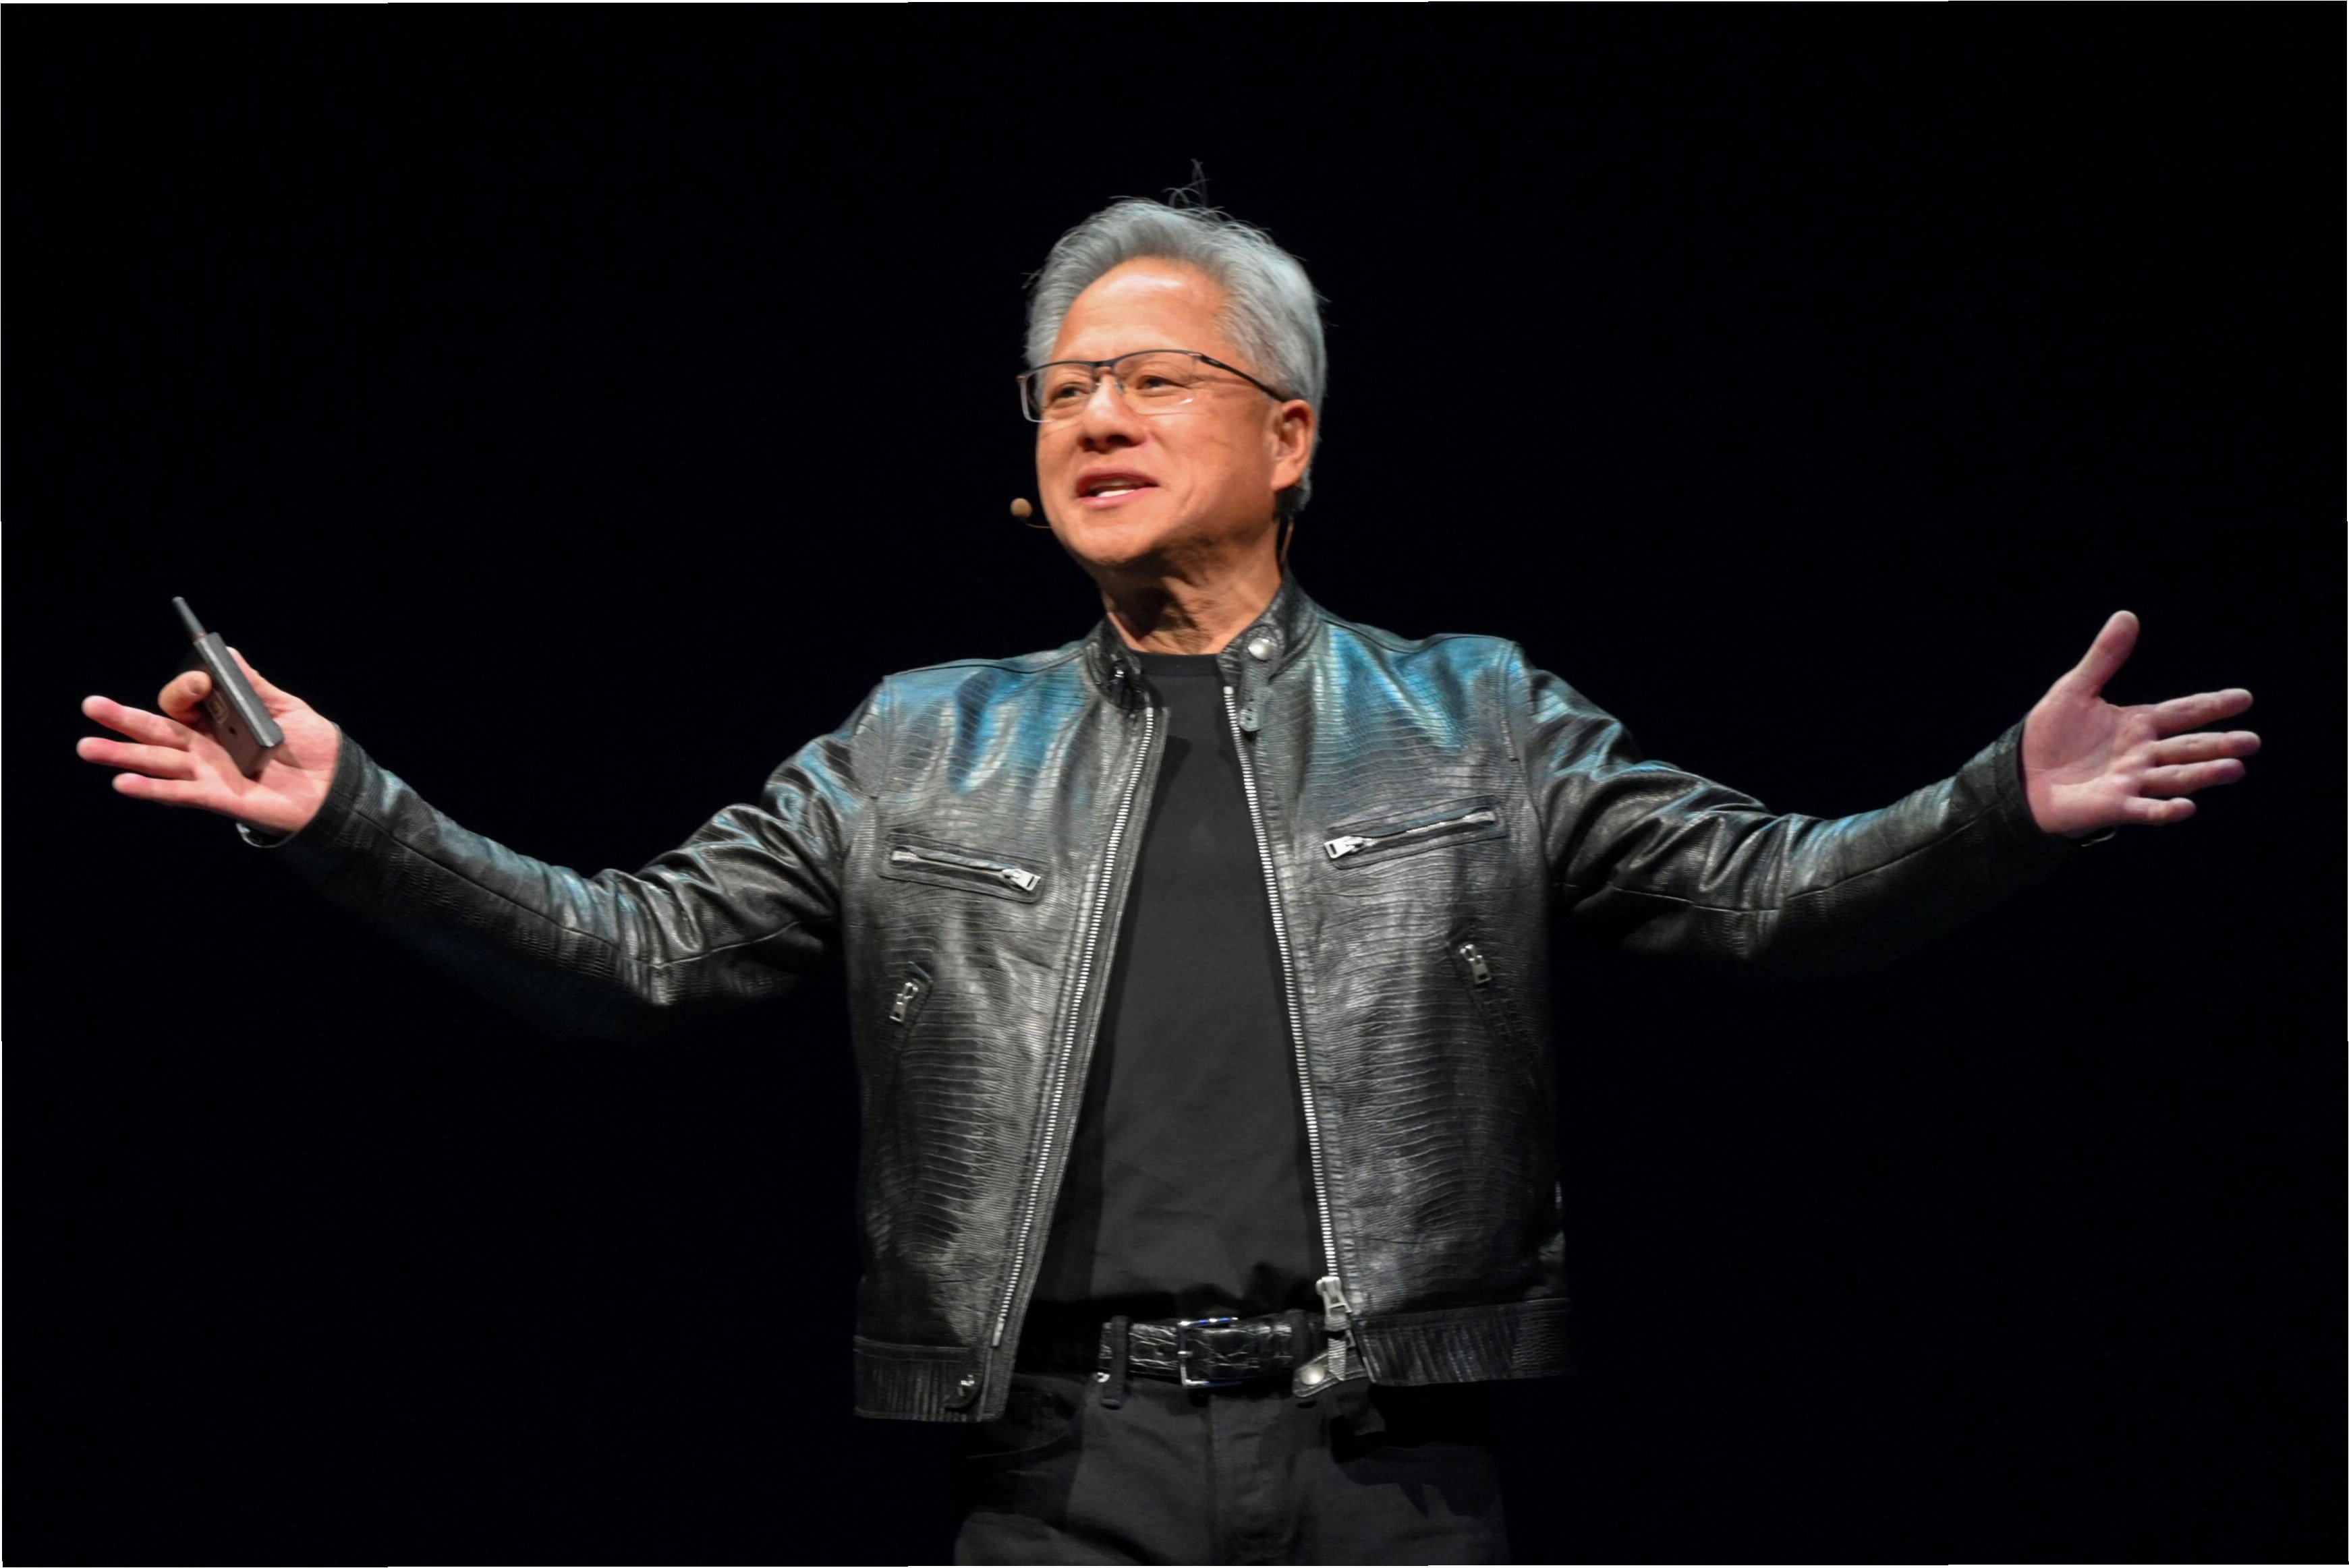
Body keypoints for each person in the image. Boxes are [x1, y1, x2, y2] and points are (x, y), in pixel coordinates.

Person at [75, 197, 2260, 1565]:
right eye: (1059, 392)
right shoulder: (914, 738)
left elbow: (1764, 897)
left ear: (1289, 434)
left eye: (1150, 378)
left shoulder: (1473, 713)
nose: (1093, 417)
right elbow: (631, 954)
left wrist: (1992, 805)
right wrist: (355, 813)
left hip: (1385, 1469)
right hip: (1055, 1474)